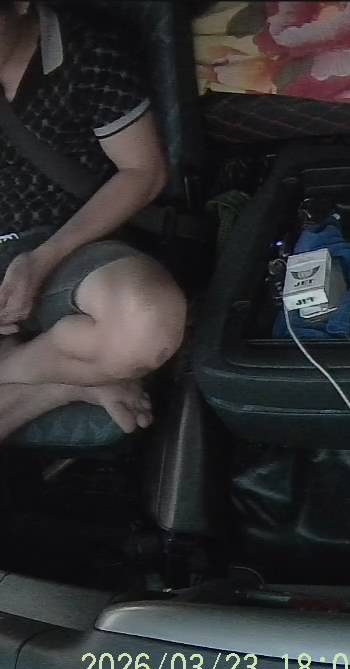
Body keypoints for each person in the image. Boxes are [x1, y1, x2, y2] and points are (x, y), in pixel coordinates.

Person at [0, 1, 184, 440]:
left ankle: (26, 371)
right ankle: (66, 383)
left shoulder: (87, 51)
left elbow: (143, 172)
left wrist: (43, 259)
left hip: (71, 245)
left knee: (147, 324)